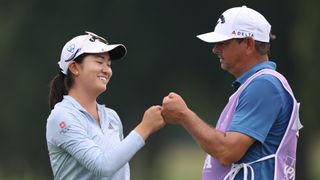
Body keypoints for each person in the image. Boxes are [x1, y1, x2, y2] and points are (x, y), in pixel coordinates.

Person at [161, 6, 302, 180]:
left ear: (249, 44)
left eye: (224, 43)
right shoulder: (254, 85)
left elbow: (228, 151)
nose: (215, 49)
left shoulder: (264, 84)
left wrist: (184, 115)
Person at [46, 31, 165, 180]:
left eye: (108, 64)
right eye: (99, 62)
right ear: (75, 68)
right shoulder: (61, 116)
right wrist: (145, 127)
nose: (107, 70)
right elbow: (102, 166)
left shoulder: (112, 117)